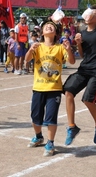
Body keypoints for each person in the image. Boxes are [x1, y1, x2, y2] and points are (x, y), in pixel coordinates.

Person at [63, 5, 96, 146]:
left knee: (88, 100)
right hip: (85, 68)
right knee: (68, 91)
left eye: (93, 13)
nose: (89, 14)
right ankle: (72, 127)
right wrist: (78, 44)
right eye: (89, 12)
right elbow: (83, 54)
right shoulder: (82, 33)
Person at [25, 20, 75, 156]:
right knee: (35, 117)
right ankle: (38, 136)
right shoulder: (37, 46)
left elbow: (71, 61)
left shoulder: (60, 48)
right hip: (38, 87)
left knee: (51, 117)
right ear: (42, 32)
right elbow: (27, 59)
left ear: (55, 33)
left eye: (52, 26)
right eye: (46, 26)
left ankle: (50, 142)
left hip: (54, 89)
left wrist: (68, 49)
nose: (49, 27)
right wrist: (31, 49)